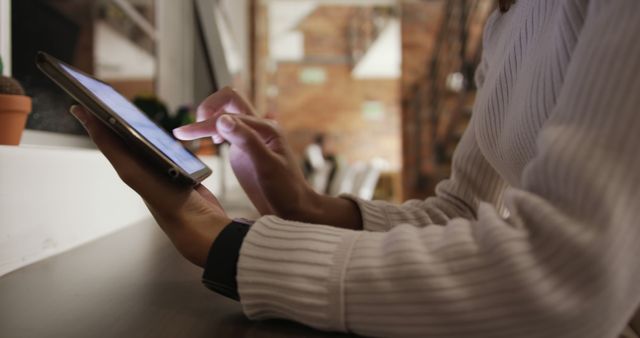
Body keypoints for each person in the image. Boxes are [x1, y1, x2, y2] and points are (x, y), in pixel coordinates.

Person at [69, 0, 640, 336]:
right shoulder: (505, 19)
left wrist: (226, 244)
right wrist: (306, 205)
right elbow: (465, 211)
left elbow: (573, 276)